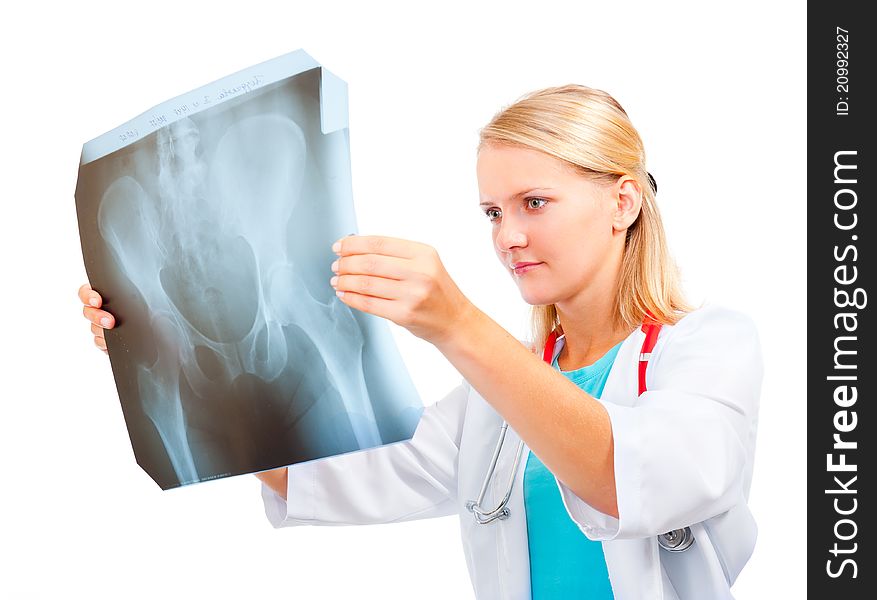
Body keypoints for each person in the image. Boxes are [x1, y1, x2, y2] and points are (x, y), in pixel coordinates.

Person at [79, 84, 762, 599]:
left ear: (622, 203)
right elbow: (340, 477)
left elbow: (631, 479)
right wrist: (155, 356)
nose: (506, 237)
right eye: (492, 212)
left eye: (534, 203)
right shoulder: (494, 401)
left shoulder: (706, 348)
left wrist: (456, 324)